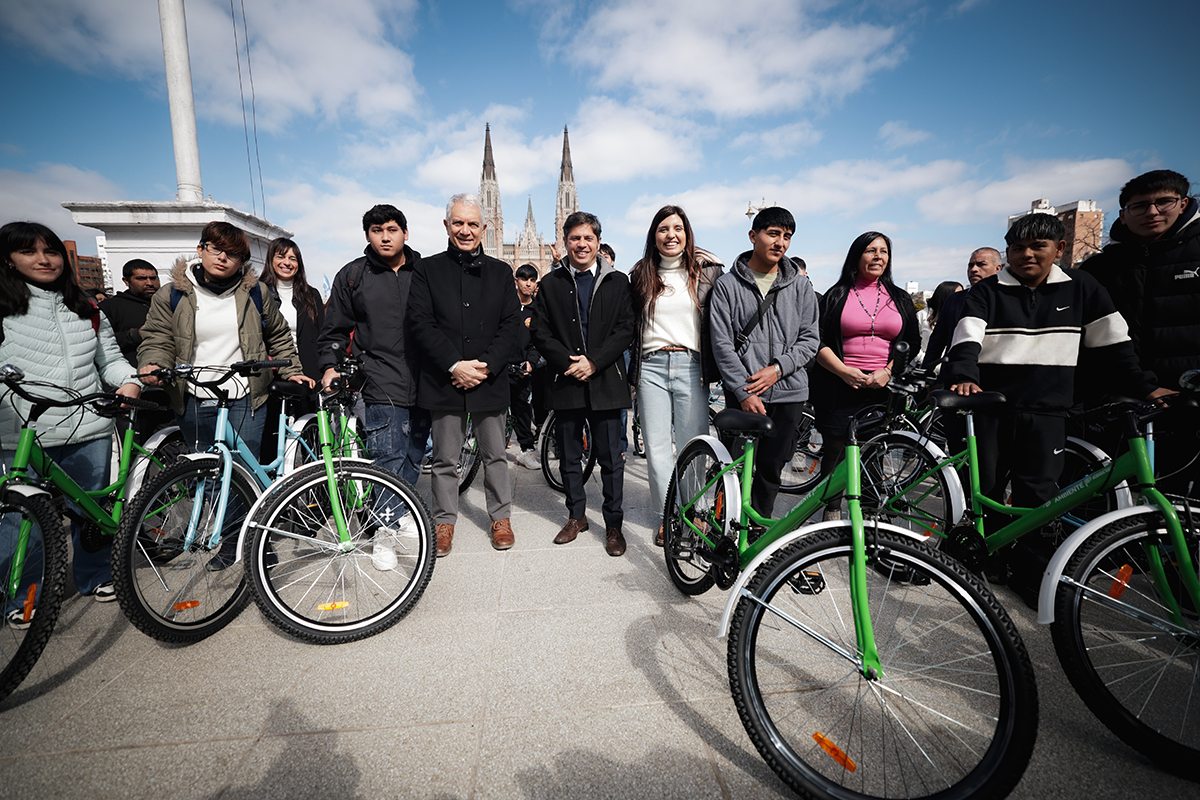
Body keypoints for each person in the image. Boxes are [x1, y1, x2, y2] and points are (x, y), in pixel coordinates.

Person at [945, 213, 1161, 601]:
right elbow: (966, 336)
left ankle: (1030, 572)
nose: (1026, 254)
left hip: (1048, 410)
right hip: (993, 406)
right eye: (1017, 248)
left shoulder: (1082, 287)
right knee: (989, 487)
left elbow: (1114, 346)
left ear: (1059, 249)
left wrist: (1145, 387)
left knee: (1040, 498)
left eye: (1037, 247)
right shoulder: (987, 291)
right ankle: (991, 556)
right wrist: (964, 372)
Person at [1, 221, 143, 611]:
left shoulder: (86, 306)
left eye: (50, 252)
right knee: (21, 522)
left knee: (90, 513)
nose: (43, 260)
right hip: (19, 431)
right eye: (29, 252)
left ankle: (96, 576)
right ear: (9, 260)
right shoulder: (3, 306)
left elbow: (109, 360)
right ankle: (23, 596)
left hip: (87, 424)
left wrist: (129, 381)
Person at [138, 222, 309, 478]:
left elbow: (278, 334)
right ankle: (214, 518)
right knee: (205, 470)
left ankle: (241, 519)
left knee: (243, 471)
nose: (222, 258)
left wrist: (292, 370)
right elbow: (158, 337)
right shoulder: (172, 293)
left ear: (241, 261)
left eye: (233, 254)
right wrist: (153, 363)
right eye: (216, 249)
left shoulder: (256, 293)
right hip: (192, 394)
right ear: (200, 249)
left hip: (246, 395)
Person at [317, 204, 430, 567]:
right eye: (377, 229)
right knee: (387, 458)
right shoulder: (353, 275)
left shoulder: (425, 270)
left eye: (392, 229)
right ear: (367, 235)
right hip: (381, 378)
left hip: (426, 380)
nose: (385, 236)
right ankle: (383, 532)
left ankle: (402, 511)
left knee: (415, 453)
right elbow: (334, 329)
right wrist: (330, 366)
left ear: (405, 233)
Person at [407, 194, 521, 556]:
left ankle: (500, 518)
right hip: (446, 380)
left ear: (484, 228)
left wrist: (484, 366)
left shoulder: (502, 272)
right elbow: (420, 323)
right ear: (446, 226)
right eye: (458, 223)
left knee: (495, 456)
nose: (466, 230)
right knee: (444, 459)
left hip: (489, 379)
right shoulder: (427, 269)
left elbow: (511, 325)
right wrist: (455, 365)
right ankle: (444, 522)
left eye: (473, 224)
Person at [1081, 169, 1200, 494]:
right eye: (1140, 205)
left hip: (1189, 400)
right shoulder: (1098, 269)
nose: (1152, 212)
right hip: (1118, 405)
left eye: (1164, 202)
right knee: (1115, 500)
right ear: (1123, 213)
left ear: (1184, 203)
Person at [530, 211, 635, 556]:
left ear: (598, 243)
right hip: (566, 381)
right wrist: (567, 363)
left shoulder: (618, 282)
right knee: (570, 457)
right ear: (565, 242)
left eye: (588, 238)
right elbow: (541, 333)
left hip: (606, 381)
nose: (581, 244)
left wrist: (594, 361)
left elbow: (625, 330)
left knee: (611, 459)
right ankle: (576, 516)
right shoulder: (550, 283)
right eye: (575, 238)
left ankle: (614, 525)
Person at [709, 206, 819, 519]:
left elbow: (810, 339)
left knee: (772, 468)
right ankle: (725, 524)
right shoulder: (728, 286)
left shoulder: (800, 286)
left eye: (787, 237)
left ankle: (759, 527)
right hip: (743, 394)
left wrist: (778, 368)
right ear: (753, 235)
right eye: (773, 233)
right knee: (731, 467)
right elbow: (721, 343)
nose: (780, 242)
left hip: (789, 392)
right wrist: (744, 391)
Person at [628, 205, 723, 542]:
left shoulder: (709, 271)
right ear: (654, 236)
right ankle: (668, 517)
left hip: (691, 366)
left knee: (692, 446)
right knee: (656, 449)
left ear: (687, 233)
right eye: (663, 229)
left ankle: (694, 513)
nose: (671, 235)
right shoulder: (640, 274)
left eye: (678, 228)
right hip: (651, 367)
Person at [813, 231, 920, 509]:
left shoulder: (899, 298)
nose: (878, 257)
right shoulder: (836, 296)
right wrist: (843, 371)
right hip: (838, 385)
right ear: (856, 256)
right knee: (836, 451)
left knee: (875, 451)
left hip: (881, 389)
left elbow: (913, 341)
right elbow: (818, 340)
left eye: (883, 251)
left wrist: (888, 372)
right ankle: (832, 511)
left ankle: (872, 514)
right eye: (870, 250)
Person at [922, 247, 1002, 368]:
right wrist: (926, 371)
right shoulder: (953, 299)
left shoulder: (1009, 300)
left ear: (998, 268)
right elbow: (937, 342)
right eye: (970, 265)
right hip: (952, 374)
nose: (974, 269)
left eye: (981, 265)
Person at [100, 259, 161, 367]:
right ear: (126, 281)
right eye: (141, 278)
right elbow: (100, 343)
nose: (149, 283)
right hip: (130, 374)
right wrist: (135, 335)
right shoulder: (110, 307)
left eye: (153, 278)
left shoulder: (168, 304)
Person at [510, 263, 542, 470]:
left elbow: (537, 341)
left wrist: (531, 362)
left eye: (531, 280)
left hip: (523, 369)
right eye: (524, 279)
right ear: (517, 281)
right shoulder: (505, 305)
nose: (527, 283)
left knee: (522, 410)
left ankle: (526, 451)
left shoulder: (537, 310)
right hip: (500, 366)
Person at [917, 280, 962, 362]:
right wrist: (924, 360)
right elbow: (913, 343)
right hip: (925, 367)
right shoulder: (922, 315)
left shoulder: (961, 316)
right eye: (957, 295)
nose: (960, 298)